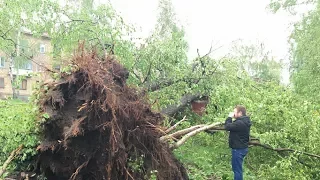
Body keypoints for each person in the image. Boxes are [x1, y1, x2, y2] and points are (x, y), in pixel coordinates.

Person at [225, 105, 252, 180]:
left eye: (234, 112)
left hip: (238, 149)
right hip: (242, 148)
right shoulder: (245, 121)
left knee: (237, 170)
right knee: (237, 169)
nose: (233, 114)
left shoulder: (240, 123)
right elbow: (231, 126)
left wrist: (229, 117)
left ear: (240, 113)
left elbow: (227, 127)